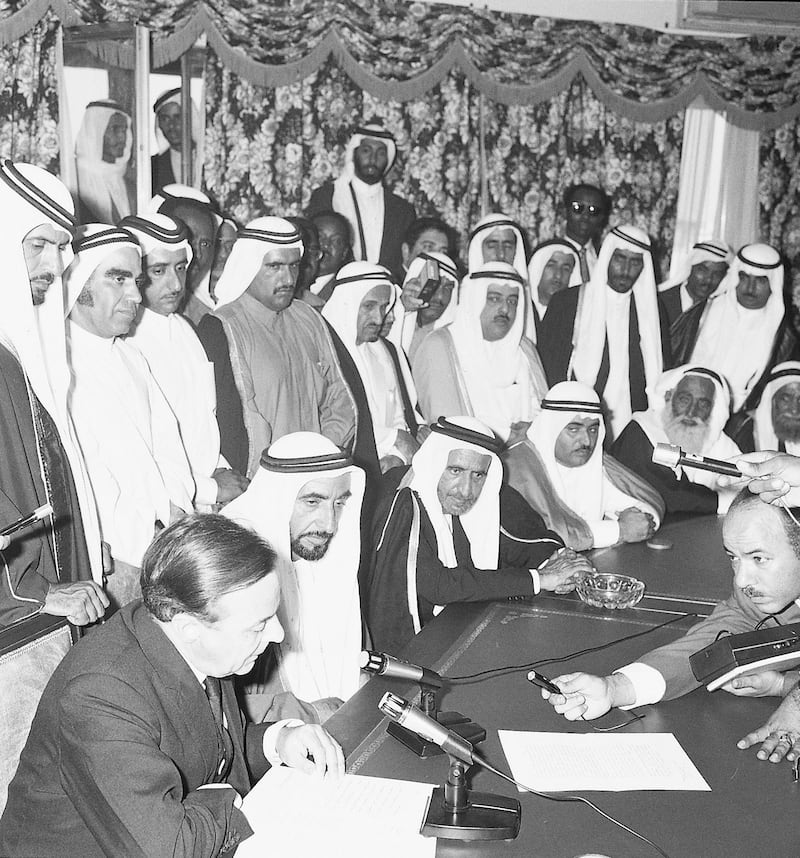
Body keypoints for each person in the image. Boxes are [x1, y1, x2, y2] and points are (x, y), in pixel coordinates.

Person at [0, 513, 344, 857]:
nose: (278, 635)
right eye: (259, 625)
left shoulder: (191, 632)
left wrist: (278, 741)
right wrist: (229, 798)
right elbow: (170, 849)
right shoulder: (101, 694)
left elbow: (212, 753)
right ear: (189, 627)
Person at [541, 490, 800, 732]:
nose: (742, 580)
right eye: (734, 557)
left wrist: (786, 688)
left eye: (758, 558)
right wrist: (615, 688)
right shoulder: (754, 596)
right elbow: (710, 643)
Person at [365, 416, 593, 652]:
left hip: (455, 630)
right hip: (407, 650)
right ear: (434, 463)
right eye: (455, 470)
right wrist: (541, 578)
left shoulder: (465, 495)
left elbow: (519, 539)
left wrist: (558, 563)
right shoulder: (401, 500)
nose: (466, 490)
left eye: (478, 475)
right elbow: (438, 585)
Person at [65, 225, 195, 609]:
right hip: (109, 563)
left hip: (163, 552)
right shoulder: (57, 366)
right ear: (77, 282)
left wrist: (175, 513)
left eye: (136, 281)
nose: (136, 295)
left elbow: (168, 448)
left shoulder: (131, 357)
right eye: (118, 279)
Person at [0, 160, 105, 627]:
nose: (56, 264)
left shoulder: (22, 346)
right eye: (38, 244)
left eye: (62, 247)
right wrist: (33, 592)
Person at [196, 216, 356, 477]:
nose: (288, 277)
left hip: (317, 473)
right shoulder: (223, 328)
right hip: (261, 481)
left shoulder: (310, 318)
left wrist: (322, 453)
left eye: (294, 266)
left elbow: (339, 396)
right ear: (249, 266)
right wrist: (276, 476)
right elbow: (233, 425)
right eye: (274, 266)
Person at [223, 433, 365, 722]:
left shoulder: (324, 552)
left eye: (339, 504)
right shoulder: (233, 572)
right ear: (277, 498)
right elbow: (219, 704)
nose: (329, 524)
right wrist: (307, 713)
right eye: (312, 502)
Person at [121, 213, 249, 511]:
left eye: (180, 267)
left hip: (207, 497)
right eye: (158, 270)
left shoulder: (185, 329)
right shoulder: (127, 342)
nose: (176, 283)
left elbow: (202, 418)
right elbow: (143, 451)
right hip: (166, 506)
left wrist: (219, 469)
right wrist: (210, 488)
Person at [538, 224, 669, 441]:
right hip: (576, 422)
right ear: (607, 256)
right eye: (620, 259)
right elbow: (548, 369)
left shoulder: (653, 314)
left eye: (635, 262)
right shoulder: (567, 303)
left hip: (634, 425)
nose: (626, 270)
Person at [505, 381, 663, 550]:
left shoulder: (594, 463)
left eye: (593, 430)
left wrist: (634, 522)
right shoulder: (515, 467)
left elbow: (646, 506)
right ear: (550, 427)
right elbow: (537, 536)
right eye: (573, 429)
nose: (587, 441)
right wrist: (618, 530)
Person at [413, 261, 548, 443]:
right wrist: (511, 436)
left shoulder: (525, 349)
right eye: (494, 298)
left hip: (527, 457)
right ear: (474, 299)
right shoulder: (439, 346)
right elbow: (447, 424)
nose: (505, 309)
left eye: (512, 301)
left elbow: (545, 416)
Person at [322, 262, 422, 473]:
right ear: (347, 304)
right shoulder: (324, 351)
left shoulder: (384, 351)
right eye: (369, 306)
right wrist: (393, 439)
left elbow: (398, 417)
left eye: (384, 307)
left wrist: (396, 456)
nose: (379, 318)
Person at [611, 365, 741, 514]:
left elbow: (745, 482)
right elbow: (663, 494)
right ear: (668, 397)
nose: (692, 412)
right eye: (684, 400)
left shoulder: (721, 444)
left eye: (703, 404)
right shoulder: (641, 432)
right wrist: (723, 501)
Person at [675, 243, 785, 411]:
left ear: (773, 284)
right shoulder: (703, 312)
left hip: (741, 425)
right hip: (687, 410)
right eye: (744, 277)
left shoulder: (783, 337)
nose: (750, 288)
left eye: (760, 280)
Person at [306, 122, 416, 282]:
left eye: (380, 153)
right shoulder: (327, 195)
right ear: (354, 153)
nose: (373, 159)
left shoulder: (402, 209)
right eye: (366, 151)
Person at [149, 184, 220, 325]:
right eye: (189, 240)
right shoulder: (128, 316)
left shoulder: (205, 315)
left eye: (205, 244)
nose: (197, 254)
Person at [73, 100, 135, 223]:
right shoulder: (73, 179)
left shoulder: (131, 181)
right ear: (94, 132)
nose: (123, 137)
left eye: (124, 130)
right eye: (115, 129)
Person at [398, 250, 459, 362]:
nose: (440, 297)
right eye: (434, 285)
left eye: (448, 288)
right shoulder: (391, 328)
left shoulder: (458, 339)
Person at [658, 238, 731, 328]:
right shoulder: (660, 301)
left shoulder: (720, 310)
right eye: (702, 270)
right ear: (690, 268)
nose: (708, 280)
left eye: (717, 274)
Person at [526, 239, 581, 341]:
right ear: (537, 268)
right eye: (551, 265)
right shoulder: (521, 312)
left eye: (566, 269)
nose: (558, 275)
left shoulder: (578, 321)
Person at [151, 87, 201, 194]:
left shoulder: (208, 160)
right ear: (159, 125)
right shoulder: (153, 166)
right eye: (165, 119)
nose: (172, 125)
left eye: (177, 117)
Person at [558, 183, 610, 282]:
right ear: (565, 211)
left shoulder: (606, 259)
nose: (585, 216)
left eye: (593, 211)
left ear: (602, 218)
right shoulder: (549, 255)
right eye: (578, 208)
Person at [307, 210, 353, 303]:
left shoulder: (347, 292)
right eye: (320, 237)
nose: (326, 245)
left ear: (344, 252)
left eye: (336, 241)